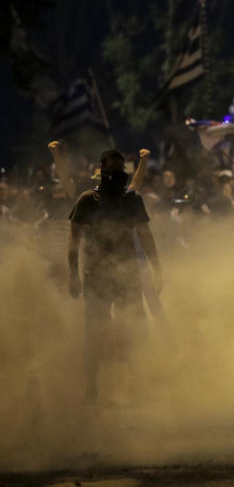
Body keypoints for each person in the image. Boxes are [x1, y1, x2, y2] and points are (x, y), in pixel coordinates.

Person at [67, 149, 162, 403]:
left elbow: (146, 236)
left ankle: (135, 384)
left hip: (127, 273)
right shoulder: (88, 200)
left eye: (120, 171)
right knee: (95, 332)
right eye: (111, 171)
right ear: (101, 171)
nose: (116, 176)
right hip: (96, 275)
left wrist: (157, 268)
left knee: (133, 329)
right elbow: (74, 240)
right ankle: (91, 387)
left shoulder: (132, 200)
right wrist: (72, 274)